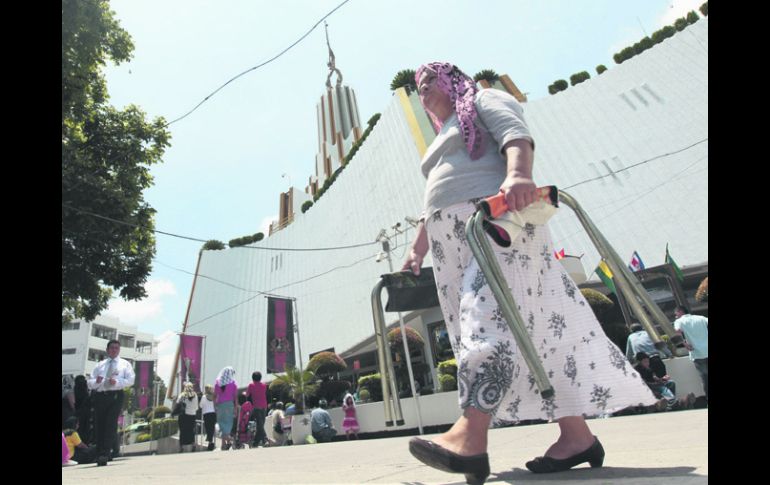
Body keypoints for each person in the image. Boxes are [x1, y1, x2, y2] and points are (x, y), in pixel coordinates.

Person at [403, 62, 657, 482]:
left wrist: (519, 173)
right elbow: (431, 203)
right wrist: (417, 250)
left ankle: (471, 435)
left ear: (453, 81)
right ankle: (576, 436)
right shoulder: (443, 133)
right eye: (418, 86)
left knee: (488, 319)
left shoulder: (482, 99)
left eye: (431, 80)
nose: (424, 88)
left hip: (497, 225)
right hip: (451, 245)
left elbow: (514, 133)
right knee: (534, 335)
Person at [88, 339, 135, 466]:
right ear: (107, 350)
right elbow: (90, 382)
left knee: (110, 424)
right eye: (112, 348)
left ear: (119, 350)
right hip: (101, 395)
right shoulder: (100, 365)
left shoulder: (125, 364)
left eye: (116, 348)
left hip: (115, 395)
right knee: (100, 424)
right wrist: (96, 381)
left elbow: (131, 380)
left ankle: (105, 453)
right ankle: (100, 453)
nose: (114, 350)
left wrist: (118, 383)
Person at [673, 305, 708, 402]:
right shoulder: (701, 318)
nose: (675, 316)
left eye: (676, 314)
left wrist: (685, 344)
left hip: (697, 352)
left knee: (705, 377)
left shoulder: (679, 321)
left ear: (680, 311)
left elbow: (677, 332)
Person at [214, 366, 237, 451]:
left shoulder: (217, 383)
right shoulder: (233, 384)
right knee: (227, 425)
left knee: (222, 425)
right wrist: (235, 409)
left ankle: (223, 445)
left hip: (220, 406)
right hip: (229, 406)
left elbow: (214, 396)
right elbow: (235, 398)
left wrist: (215, 407)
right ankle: (231, 440)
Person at [247, 371, 268, 447]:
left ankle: (265, 439)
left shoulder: (251, 385)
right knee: (261, 425)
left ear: (253, 378)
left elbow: (247, 395)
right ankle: (255, 443)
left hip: (256, 407)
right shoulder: (264, 385)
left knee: (260, 425)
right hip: (264, 407)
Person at [176, 382, 199, 452]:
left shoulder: (182, 395)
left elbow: (177, 403)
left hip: (184, 415)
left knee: (182, 431)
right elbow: (196, 407)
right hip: (192, 415)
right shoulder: (195, 395)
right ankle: (193, 445)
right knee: (191, 431)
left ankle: (181, 447)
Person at [74, 375, 93, 446]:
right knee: (86, 428)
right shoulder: (85, 389)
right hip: (86, 412)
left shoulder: (75, 388)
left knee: (79, 429)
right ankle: (85, 443)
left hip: (78, 411)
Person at [200, 384, 217, 451]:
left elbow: (200, 405)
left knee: (208, 428)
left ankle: (210, 443)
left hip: (206, 414)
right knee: (212, 428)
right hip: (213, 413)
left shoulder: (204, 397)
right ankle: (210, 441)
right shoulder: (214, 396)